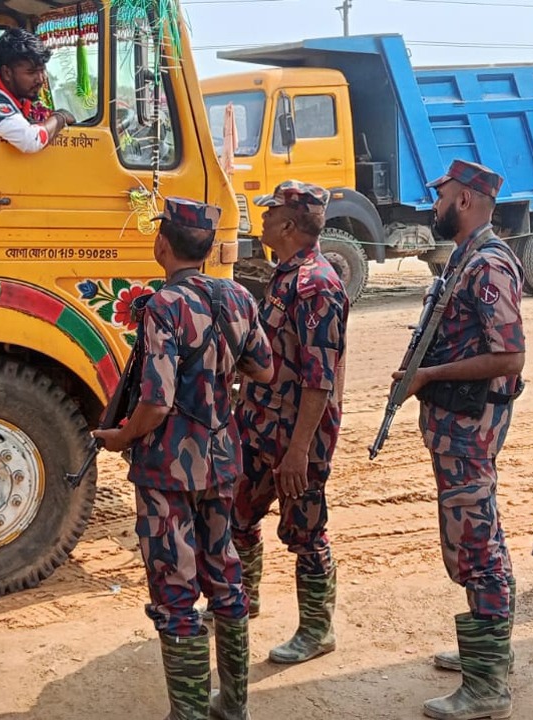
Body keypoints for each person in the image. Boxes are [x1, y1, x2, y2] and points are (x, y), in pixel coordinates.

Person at [92, 198, 272, 720]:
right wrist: (222, 375)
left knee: (175, 589)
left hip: (167, 470)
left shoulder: (163, 305)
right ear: (209, 246)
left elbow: (155, 400)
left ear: (162, 245)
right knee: (225, 575)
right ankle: (233, 706)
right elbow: (263, 369)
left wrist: (120, 439)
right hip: (221, 461)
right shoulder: (238, 296)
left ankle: (189, 713)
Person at [398, 159, 525, 720]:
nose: (435, 204)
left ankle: (488, 685)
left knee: (476, 547)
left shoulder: (489, 264)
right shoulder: (467, 258)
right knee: (477, 536)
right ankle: (487, 654)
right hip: (456, 427)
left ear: (467, 200)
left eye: (442, 194)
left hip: (469, 429)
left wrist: (428, 377)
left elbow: (509, 355)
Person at [233, 180, 349, 666]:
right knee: (237, 513)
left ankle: (317, 630)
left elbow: (320, 379)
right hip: (260, 427)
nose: (261, 219)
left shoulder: (317, 284)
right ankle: (241, 601)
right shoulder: (286, 275)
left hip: (296, 437)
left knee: (305, 532)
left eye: (269, 212)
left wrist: (300, 450)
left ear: (287, 224)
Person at [0, 27, 76, 153]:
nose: (40, 79)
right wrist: (60, 117)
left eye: (42, 70)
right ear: (7, 73)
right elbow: (31, 140)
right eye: (31, 72)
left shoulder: (20, 97)